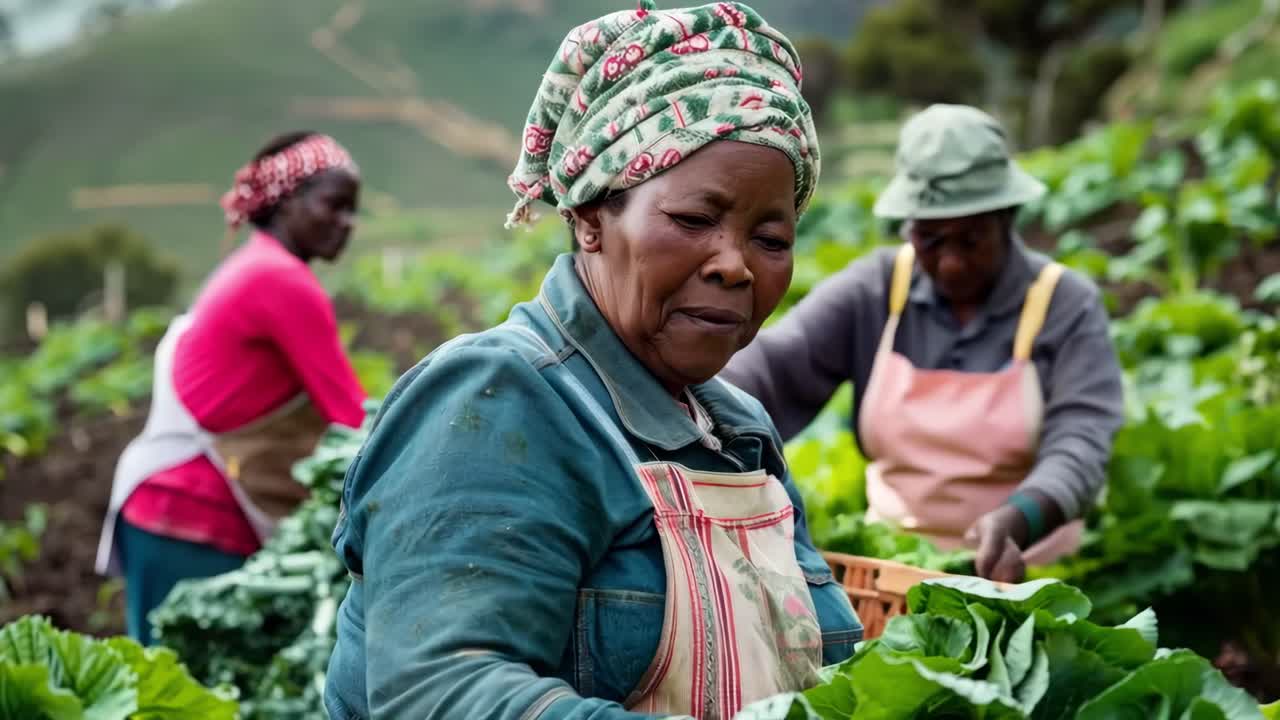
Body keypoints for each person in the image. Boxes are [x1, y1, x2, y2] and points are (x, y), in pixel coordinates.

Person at [324, 3, 859, 718]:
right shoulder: (496, 401)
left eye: (771, 237)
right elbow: (441, 688)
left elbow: (825, 671)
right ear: (588, 217)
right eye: (694, 220)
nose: (735, 266)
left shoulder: (740, 432)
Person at [723, 104, 1126, 584]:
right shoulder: (876, 290)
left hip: (1035, 578)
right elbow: (771, 368)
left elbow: (1081, 441)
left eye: (971, 240)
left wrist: (1021, 518)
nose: (951, 263)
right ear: (909, 225)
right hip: (895, 576)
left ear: (1007, 219)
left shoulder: (1064, 304)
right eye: (931, 241)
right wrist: (694, 402)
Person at [96, 131, 368, 645]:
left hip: (166, 506)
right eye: (333, 205)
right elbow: (351, 416)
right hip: (191, 510)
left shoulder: (255, 264)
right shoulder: (282, 280)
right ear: (287, 201)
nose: (346, 223)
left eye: (353, 211)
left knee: (166, 686)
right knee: (180, 692)